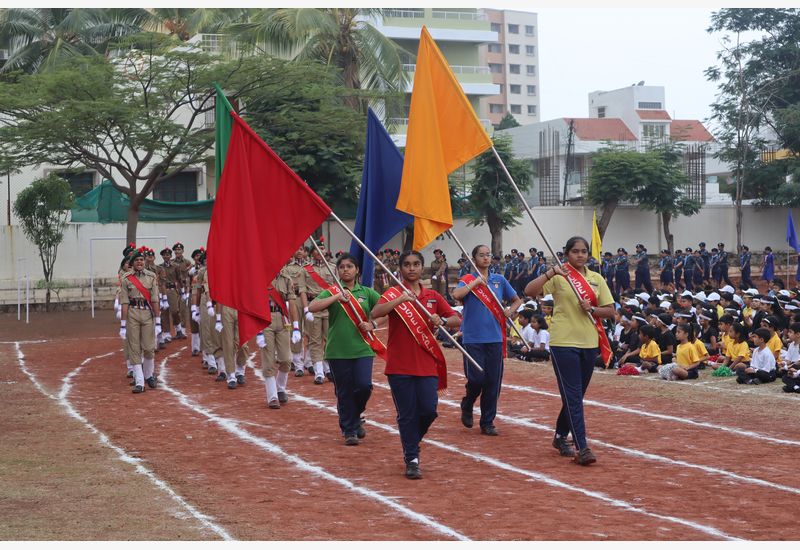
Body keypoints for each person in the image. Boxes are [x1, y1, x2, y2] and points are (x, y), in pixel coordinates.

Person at [524, 236, 615, 465]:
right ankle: (582, 447)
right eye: (575, 251)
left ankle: (559, 436)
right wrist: (551, 273)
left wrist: (592, 308)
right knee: (573, 395)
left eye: (584, 251)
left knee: (575, 395)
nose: (580, 255)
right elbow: (529, 290)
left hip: (589, 342)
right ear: (567, 254)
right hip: (563, 342)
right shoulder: (559, 276)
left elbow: (610, 310)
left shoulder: (596, 279)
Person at [371, 251, 460, 479]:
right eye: (407, 264)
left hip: (427, 364)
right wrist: (400, 300)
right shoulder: (393, 294)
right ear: (400, 268)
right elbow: (376, 312)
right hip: (399, 365)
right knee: (407, 414)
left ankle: (411, 440)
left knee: (429, 410)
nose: (412, 268)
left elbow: (456, 318)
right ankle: (412, 457)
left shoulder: (432, 296)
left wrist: (442, 321)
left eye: (416, 264)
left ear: (422, 268)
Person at [308, 253, 382, 446]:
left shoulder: (366, 292)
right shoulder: (332, 291)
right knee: (344, 391)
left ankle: (356, 416)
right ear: (337, 271)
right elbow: (313, 306)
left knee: (364, 386)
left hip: (363, 348)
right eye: (342, 267)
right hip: (337, 350)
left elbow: (387, 309)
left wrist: (373, 324)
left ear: (357, 270)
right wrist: (336, 298)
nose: (346, 270)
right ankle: (349, 429)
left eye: (350, 266)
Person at [452, 244, 522, 437]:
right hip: (473, 338)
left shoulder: (499, 279)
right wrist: (476, 284)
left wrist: (510, 310)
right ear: (474, 259)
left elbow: (517, 299)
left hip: (495, 338)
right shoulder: (467, 280)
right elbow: (456, 295)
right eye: (481, 255)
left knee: (493, 381)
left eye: (487, 255)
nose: (485, 258)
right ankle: (467, 403)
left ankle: (487, 421)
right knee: (476, 379)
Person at [119, 249, 162, 393]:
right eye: (136, 260)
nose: (139, 262)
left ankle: (149, 375)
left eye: (142, 260)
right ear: (132, 263)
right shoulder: (126, 278)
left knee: (149, 348)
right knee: (134, 348)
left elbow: (155, 299)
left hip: (148, 313)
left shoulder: (151, 277)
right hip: (132, 313)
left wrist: (158, 321)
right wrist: (123, 325)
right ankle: (139, 381)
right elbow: (124, 302)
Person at [256, 269, 300, 408]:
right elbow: (255, 303)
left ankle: (280, 388)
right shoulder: (259, 278)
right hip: (265, 319)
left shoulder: (286, 279)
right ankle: (272, 396)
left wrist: (296, 326)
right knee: (268, 360)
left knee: (286, 359)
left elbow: (292, 303)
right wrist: (258, 330)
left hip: (282, 320)